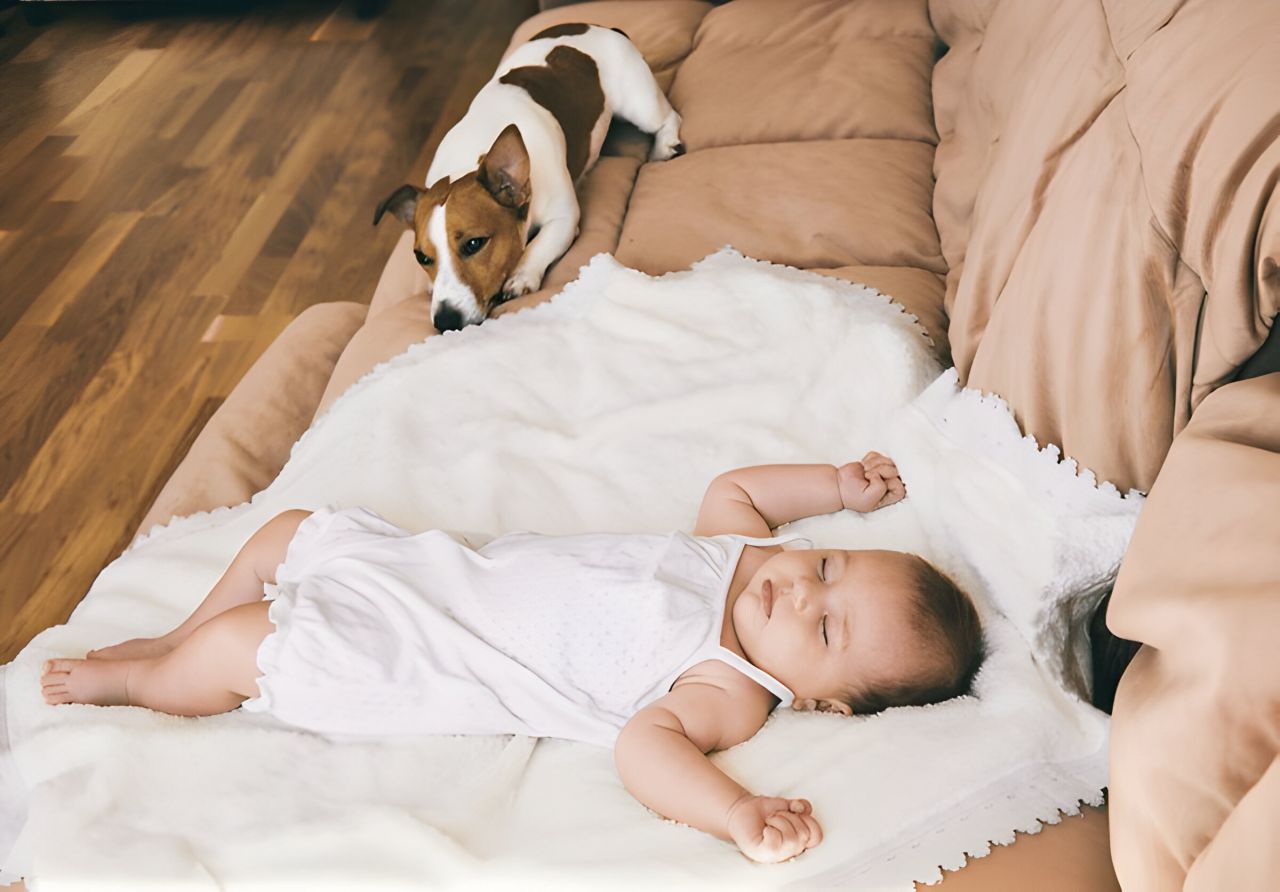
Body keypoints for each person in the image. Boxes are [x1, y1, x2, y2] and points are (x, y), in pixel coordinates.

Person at [41, 452, 984, 863]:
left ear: (822, 703)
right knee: (285, 533)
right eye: (826, 566)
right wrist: (837, 486)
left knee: (239, 649)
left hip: (419, 650)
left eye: (823, 631)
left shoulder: (730, 688)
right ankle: (170, 638)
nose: (801, 592)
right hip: (430, 571)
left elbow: (645, 750)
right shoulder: (740, 556)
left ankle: (141, 677)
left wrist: (733, 810)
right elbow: (734, 486)